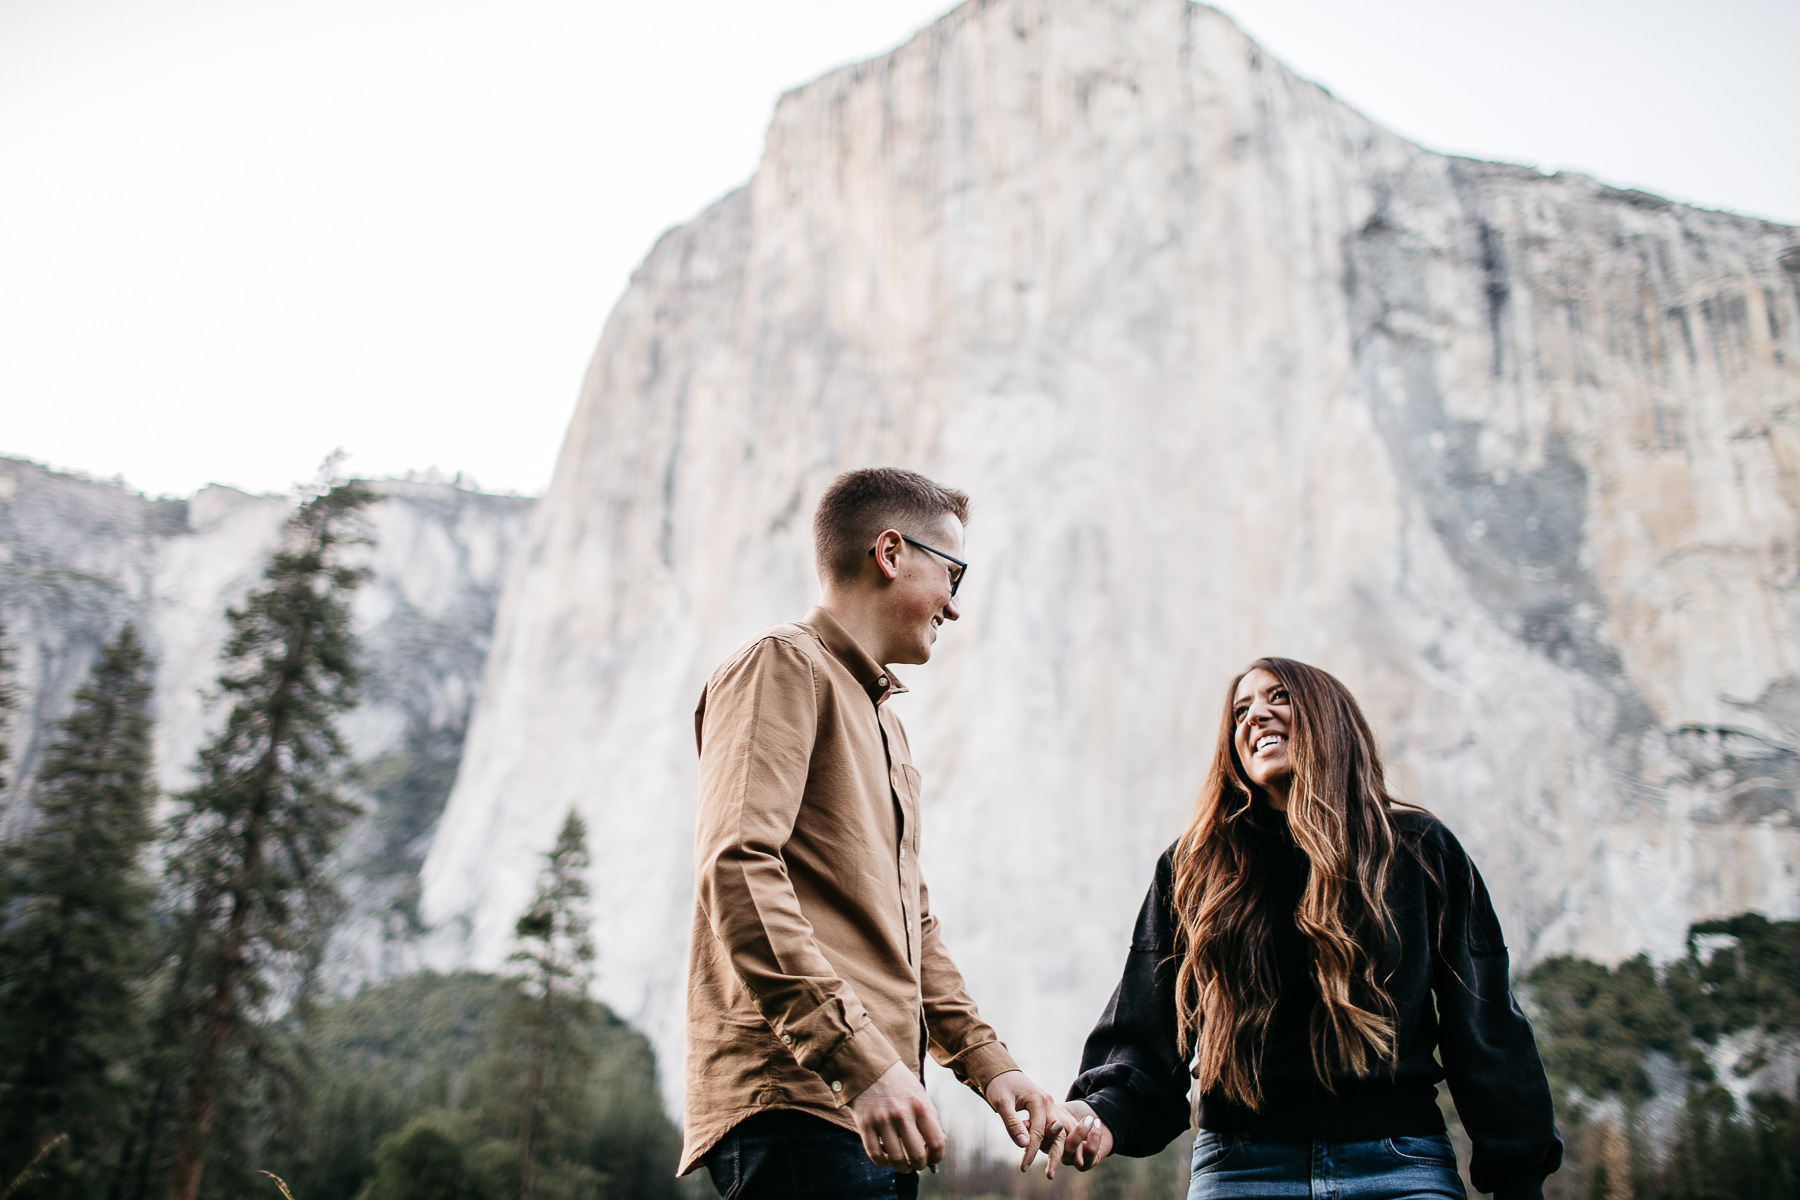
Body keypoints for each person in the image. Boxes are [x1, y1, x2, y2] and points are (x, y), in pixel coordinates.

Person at [681, 467, 1066, 1198]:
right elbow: (736, 867)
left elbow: (911, 925)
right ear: (890, 553)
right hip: (801, 1102)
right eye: (951, 572)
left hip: (875, 1106)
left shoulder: (883, 720)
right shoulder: (782, 665)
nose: (953, 605)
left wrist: (991, 1065)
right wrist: (858, 1063)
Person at [1057, 658, 1564, 1200]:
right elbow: (1145, 1024)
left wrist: (1519, 1177)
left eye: (1278, 697)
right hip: (1240, 1172)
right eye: (1240, 711)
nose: (1255, 716)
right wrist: (1102, 1114)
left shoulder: (1420, 851)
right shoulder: (1193, 866)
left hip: (1399, 1165)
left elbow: (1485, 1024)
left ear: (1330, 720)